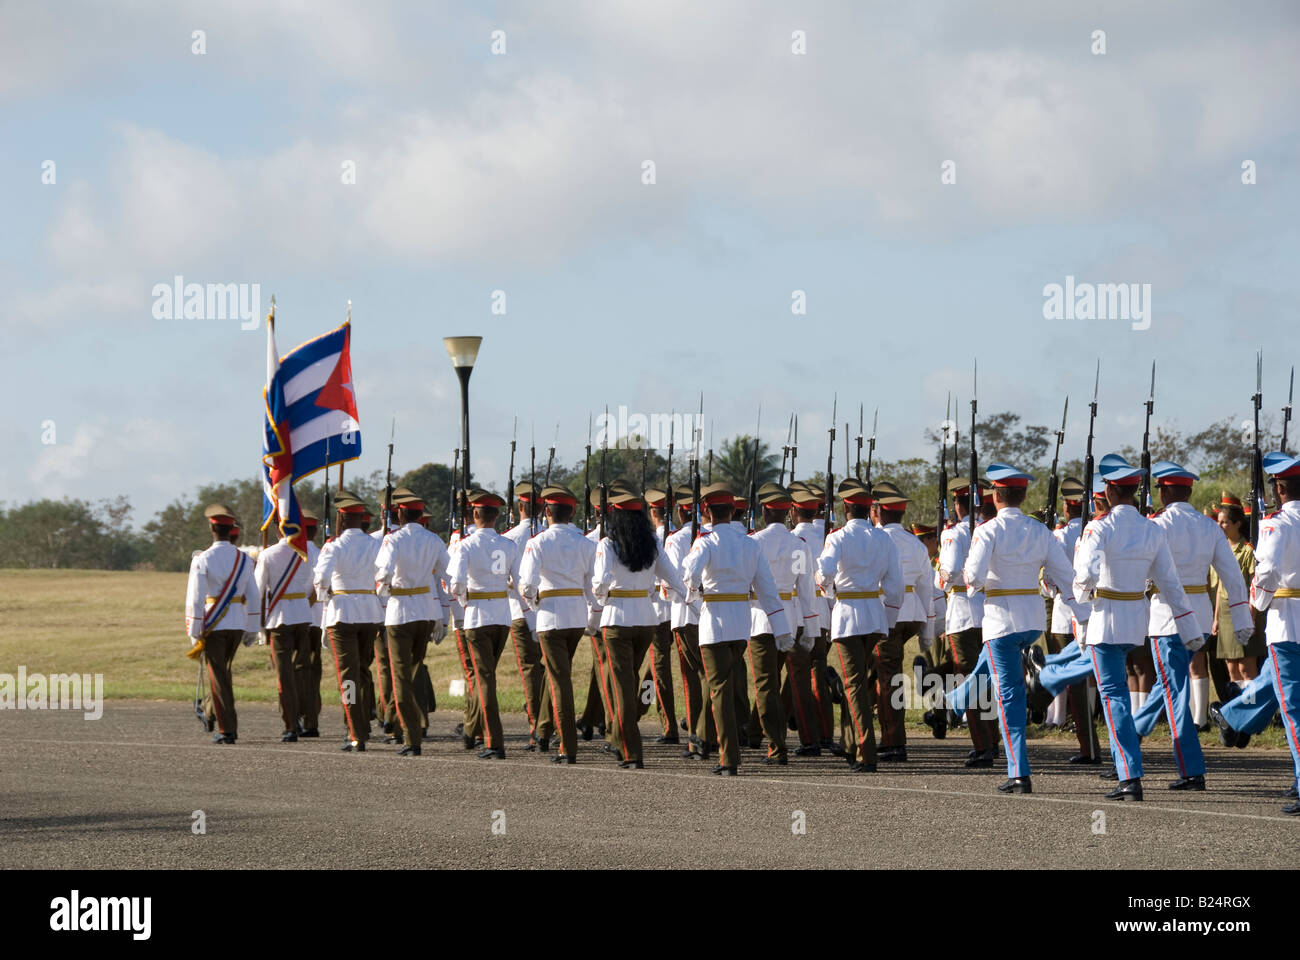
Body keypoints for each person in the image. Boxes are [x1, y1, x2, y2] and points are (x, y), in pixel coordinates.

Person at [1070, 454, 1203, 801]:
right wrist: (1189, 628)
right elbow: (1171, 583)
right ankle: (1128, 769)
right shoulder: (1151, 528)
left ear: (1110, 491)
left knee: (1114, 698)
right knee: (1121, 698)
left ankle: (1129, 775)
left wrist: (1082, 595)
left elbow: (1086, 574)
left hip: (1105, 620)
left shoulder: (1099, 526)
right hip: (1138, 622)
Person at [1128, 461, 1252, 790]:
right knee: (1169, 688)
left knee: (1173, 692)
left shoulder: (1155, 526)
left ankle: (1190, 768)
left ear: (1163, 491)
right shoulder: (1209, 527)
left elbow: (1141, 575)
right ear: (1190, 491)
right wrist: (1242, 619)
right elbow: (1233, 577)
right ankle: (1126, 742)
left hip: (1167, 616)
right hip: (1198, 617)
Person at [963, 464, 1076, 795]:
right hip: (1032, 621)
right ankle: (1034, 677)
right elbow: (1064, 576)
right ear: (1023, 495)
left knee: (1007, 694)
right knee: (988, 672)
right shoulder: (1040, 531)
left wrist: (977, 584)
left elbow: (972, 577)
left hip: (1000, 622)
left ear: (995, 496)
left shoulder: (987, 531)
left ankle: (1018, 772)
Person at [682, 482, 791, 775]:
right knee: (728, 686)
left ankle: (728, 758)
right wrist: (781, 629)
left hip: (714, 623)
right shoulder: (750, 544)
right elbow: (768, 590)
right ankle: (731, 746)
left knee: (719, 690)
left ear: (707, 511)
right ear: (732, 510)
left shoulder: (704, 541)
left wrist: (694, 593)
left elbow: (689, 576)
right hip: (742, 624)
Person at [592, 490, 688, 768]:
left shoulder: (608, 545)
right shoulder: (652, 545)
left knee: (622, 687)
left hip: (617, 619)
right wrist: (691, 603)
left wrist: (600, 598)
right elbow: (675, 581)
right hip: (646, 620)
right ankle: (620, 741)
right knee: (630, 680)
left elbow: (600, 582)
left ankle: (630, 750)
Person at [815, 480, 904, 773]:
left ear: (845, 508)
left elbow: (825, 572)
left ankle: (866, 752)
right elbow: (895, 588)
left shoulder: (837, 538)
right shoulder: (884, 540)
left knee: (854, 685)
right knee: (860, 683)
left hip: (848, 615)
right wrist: (888, 620)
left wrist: (826, 588)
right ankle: (852, 745)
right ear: (870, 510)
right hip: (875, 616)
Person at [517, 485, 598, 764]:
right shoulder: (587, 544)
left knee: (559, 680)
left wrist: (535, 603)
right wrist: (592, 614)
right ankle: (544, 730)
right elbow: (592, 587)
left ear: (547, 513)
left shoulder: (537, 542)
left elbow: (526, 584)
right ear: (571, 512)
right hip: (576, 615)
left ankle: (567, 745)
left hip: (550, 614)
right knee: (557, 674)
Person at [1244, 451, 1300, 815]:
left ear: (1279, 487)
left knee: (1294, 708)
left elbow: (1266, 573)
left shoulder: (1276, 524)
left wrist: (1255, 607)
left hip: (1286, 620)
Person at [445, 490, 520, 760]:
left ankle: (493, 740)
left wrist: (464, 598)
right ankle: (472, 728)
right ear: (496, 516)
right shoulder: (509, 545)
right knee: (484, 676)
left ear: (475, 514)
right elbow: (519, 580)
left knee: (484, 678)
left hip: (477, 616)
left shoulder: (465, 545)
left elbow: (453, 584)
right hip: (501, 615)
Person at [747, 483, 818, 763]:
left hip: (762, 619)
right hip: (792, 617)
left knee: (766, 684)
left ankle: (776, 746)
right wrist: (811, 629)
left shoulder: (753, 542)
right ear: (788, 511)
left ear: (764, 511)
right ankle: (755, 733)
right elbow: (807, 590)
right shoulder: (798, 545)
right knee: (778, 682)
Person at [375, 494, 449, 757]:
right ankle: (416, 725)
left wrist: (382, 590)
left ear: (401, 515)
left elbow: (383, 573)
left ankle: (410, 735)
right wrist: (444, 614)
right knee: (415, 672)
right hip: (427, 611)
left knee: (401, 676)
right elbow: (446, 574)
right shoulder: (433, 539)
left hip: (400, 612)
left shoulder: (392, 539)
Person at [313, 490, 384, 752]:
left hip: (342, 614)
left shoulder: (334, 546)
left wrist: (325, 595)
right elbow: (384, 572)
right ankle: (361, 722)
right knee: (363, 672)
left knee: (348, 677)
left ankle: (355, 731)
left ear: (341, 519)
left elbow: (320, 579)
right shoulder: (375, 543)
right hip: (370, 613)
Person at [870, 482, 935, 761]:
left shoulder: (876, 539)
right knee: (885, 674)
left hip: (886, 613)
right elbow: (926, 586)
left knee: (888, 678)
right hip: (913, 614)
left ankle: (893, 741)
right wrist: (928, 629)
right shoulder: (914, 541)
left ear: (878, 512)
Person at [938, 479, 1000, 766]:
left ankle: (982, 744)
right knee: (985, 679)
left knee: (968, 678)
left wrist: (939, 579)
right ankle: (993, 740)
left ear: (959, 504)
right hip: (987, 611)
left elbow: (948, 571)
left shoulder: (955, 533)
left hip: (962, 612)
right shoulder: (989, 528)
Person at [185, 504, 258, 744]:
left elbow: (196, 598)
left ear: (212, 528)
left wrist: (194, 631)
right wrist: (252, 628)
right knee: (222, 673)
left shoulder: (202, 559)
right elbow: (254, 595)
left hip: (214, 623)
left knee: (219, 676)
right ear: (230, 530)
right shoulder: (244, 559)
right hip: (237, 621)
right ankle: (210, 710)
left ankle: (227, 729)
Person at [790, 481, 838, 753]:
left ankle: (810, 739)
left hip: (800, 613)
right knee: (817, 675)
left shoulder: (794, 539)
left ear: (794, 511)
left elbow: (798, 580)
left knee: (800, 680)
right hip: (825, 613)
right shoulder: (828, 535)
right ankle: (826, 734)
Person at [254, 523, 313, 742]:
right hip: (302, 615)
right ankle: (307, 718)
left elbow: (258, 590)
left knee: (284, 675)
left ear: (278, 530)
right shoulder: (305, 552)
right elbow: (310, 586)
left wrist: (259, 625)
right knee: (302, 672)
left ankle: (290, 724)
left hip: (279, 618)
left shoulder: (268, 554)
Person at [666, 485, 713, 759]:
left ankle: (698, 738)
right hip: (708, 613)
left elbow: (671, 584)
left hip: (686, 617)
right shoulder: (709, 536)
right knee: (709, 676)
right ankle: (711, 734)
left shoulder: (675, 540)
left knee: (693, 680)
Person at [502, 481, 547, 751]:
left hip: (521, 611)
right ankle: (549, 721)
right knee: (552, 670)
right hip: (553, 611)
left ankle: (537, 726)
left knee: (530, 670)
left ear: (519, 507)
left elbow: (505, 579)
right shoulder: (549, 533)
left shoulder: (509, 538)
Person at [1212, 492, 1266, 694]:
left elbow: (1253, 587)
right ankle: (1236, 708)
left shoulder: (1247, 550)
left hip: (1244, 610)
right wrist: (1216, 618)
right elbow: (1219, 587)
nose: (1220, 526)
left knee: (1247, 667)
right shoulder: (1220, 549)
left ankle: (1251, 708)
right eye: (1219, 522)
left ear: (1236, 524)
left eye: (1224, 522)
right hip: (1226, 612)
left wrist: (1251, 616)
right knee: (1231, 667)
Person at [642, 489, 679, 744]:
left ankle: (669, 726)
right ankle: (638, 709)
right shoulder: (684, 534)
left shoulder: (654, 539)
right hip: (677, 609)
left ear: (652, 512)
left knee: (660, 667)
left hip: (657, 609)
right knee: (654, 669)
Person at [299, 508, 324, 737]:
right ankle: (311, 718)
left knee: (299, 670)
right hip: (316, 620)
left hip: (300, 619)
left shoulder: (297, 553)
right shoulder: (320, 552)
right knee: (313, 672)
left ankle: (303, 716)